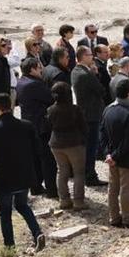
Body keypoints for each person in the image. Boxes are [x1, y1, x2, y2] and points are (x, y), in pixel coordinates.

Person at [0, 93, 45, 252]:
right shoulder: (27, 125)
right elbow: (37, 149)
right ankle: (37, 232)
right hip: (24, 174)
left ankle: (9, 245)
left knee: (5, 212)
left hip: (4, 178)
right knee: (23, 205)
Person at [100, 80, 129, 228]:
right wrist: (115, 156)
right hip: (126, 158)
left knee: (113, 188)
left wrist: (108, 154)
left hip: (112, 157)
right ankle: (127, 218)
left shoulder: (108, 109)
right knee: (126, 189)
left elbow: (102, 134)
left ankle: (114, 217)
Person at [15, 58, 56, 198]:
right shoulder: (34, 84)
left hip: (29, 124)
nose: (42, 70)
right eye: (39, 68)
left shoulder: (21, 82)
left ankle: (36, 186)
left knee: (35, 159)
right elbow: (51, 98)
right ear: (32, 69)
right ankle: (51, 189)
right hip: (40, 126)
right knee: (47, 159)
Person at [47, 82, 87, 210]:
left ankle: (64, 200)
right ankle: (78, 201)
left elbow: (48, 126)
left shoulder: (50, 110)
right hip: (74, 143)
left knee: (62, 170)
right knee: (78, 172)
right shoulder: (75, 109)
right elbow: (84, 127)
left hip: (56, 144)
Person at [72, 46, 107, 187]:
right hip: (91, 115)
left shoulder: (75, 71)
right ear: (83, 56)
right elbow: (101, 90)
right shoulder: (86, 74)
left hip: (85, 113)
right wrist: (96, 74)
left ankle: (88, 173)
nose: (92, 57)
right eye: (89, 55)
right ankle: (90, 175)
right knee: (91, 148)